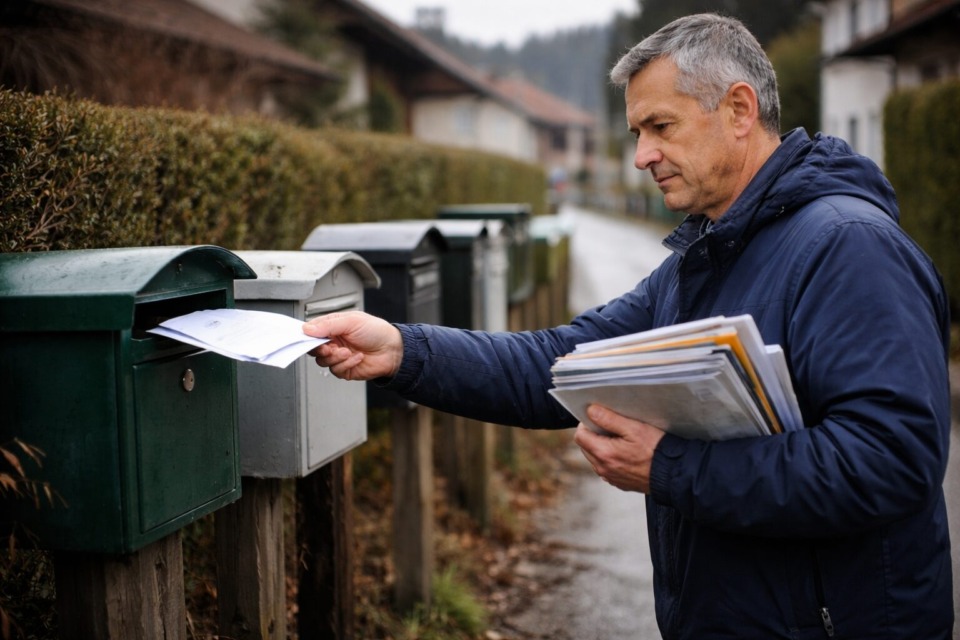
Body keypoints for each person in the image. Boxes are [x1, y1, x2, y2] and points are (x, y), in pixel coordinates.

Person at [303, 13, 953, 639]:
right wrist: (404, 350)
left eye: (660, 126)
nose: (643, 155)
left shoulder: (850, 248)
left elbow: (890, 460)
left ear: (738, 110)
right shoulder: (704, 259)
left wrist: (673, 468)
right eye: (637, 132)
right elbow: (560, 361)